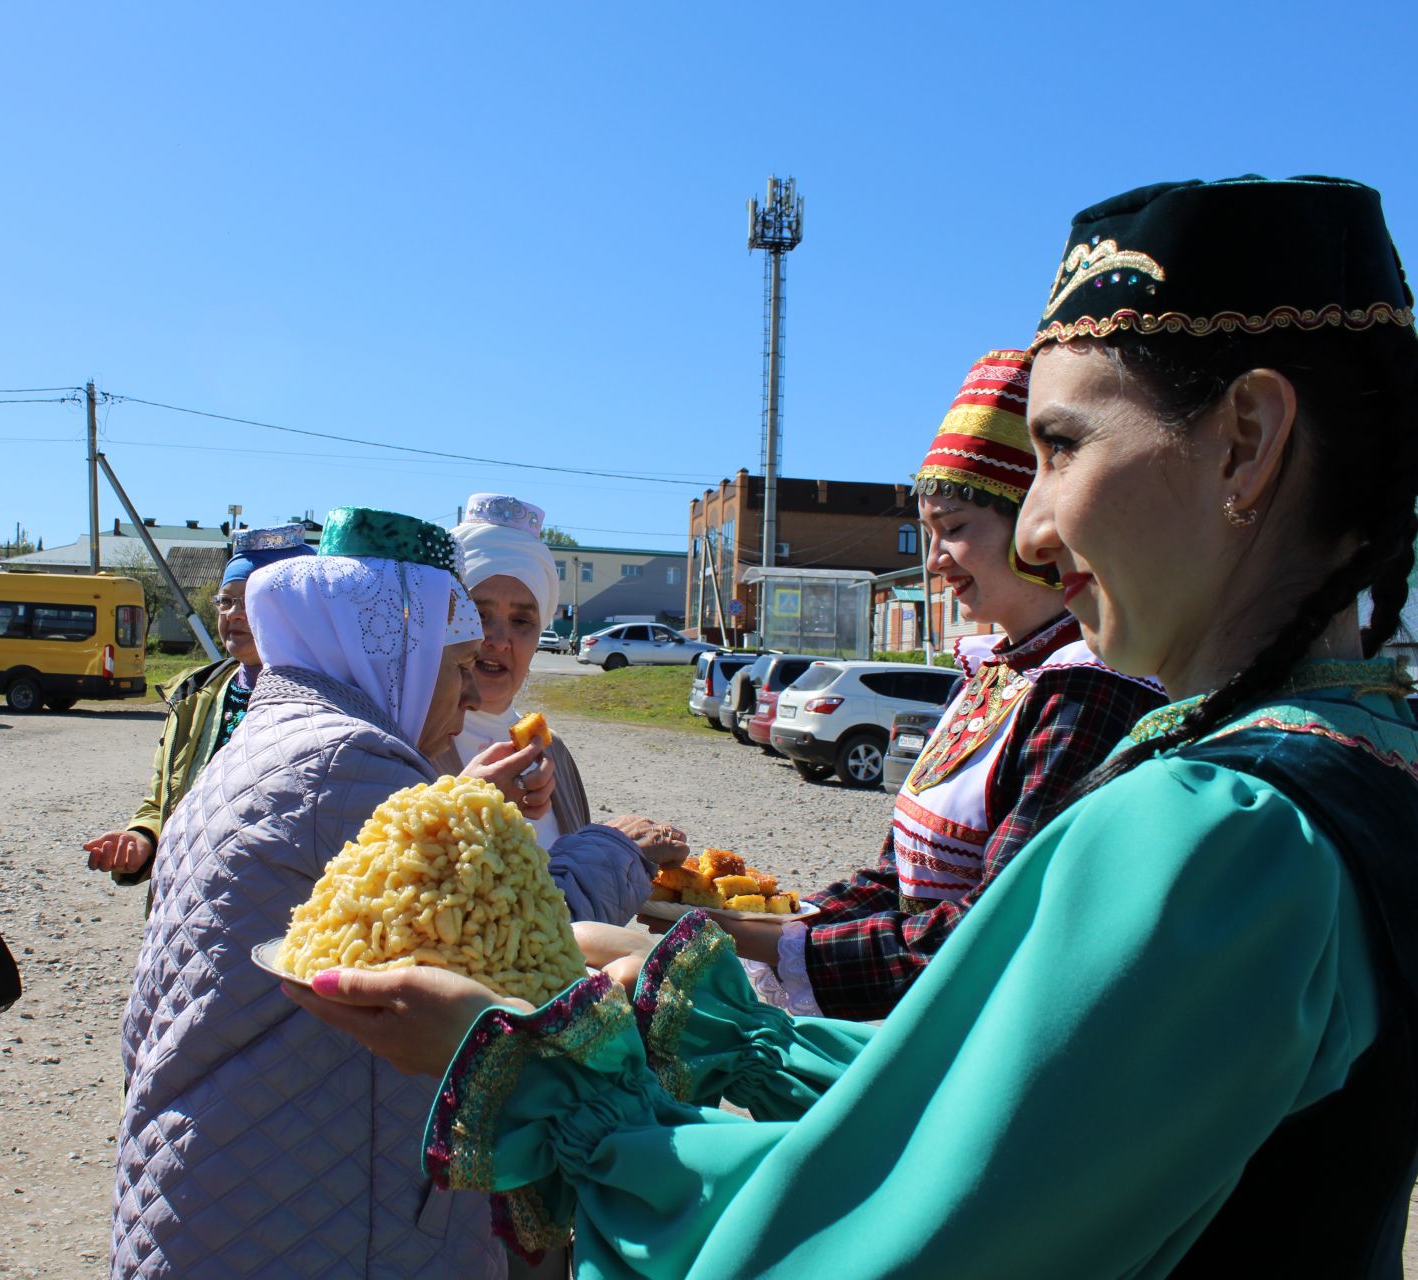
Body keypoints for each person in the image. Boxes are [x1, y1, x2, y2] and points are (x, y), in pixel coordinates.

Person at [290, 176, 1418, 1277]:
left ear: (1247, 438)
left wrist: (537, 1077)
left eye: (1064, 448)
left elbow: (875, 1234)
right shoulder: (1356, 763)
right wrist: (703, 1012)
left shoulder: (1218, 831)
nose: (1033, 530)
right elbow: (979, 1107)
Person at [111, 506, 506, 1278]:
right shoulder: (347, 766)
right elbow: (514, 942)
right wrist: (614, 853)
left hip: (233, 1184)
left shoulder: (275, 736)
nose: (469, 698)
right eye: (455, 668)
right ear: (397, 654)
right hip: (296, 1220)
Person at [722, 353, 1164, 1019]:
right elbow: (898, 878)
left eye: (954, 530)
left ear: (1033, 522)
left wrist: (774, 946)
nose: (932, 562)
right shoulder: (993, 672)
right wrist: (784, 920)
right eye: (928, 533)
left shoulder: (1089, 692)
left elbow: (996, 927)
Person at [438, 492, 689, 922]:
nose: (498, 639)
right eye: (479, 616)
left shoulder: (552, 753)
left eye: (522, 621)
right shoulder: (412, 742)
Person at [83, 522, 315, 884]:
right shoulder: (194, 695)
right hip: (184, 904)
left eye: (250, 601)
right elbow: (164, 800)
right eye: (225, 600)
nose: (232, 614)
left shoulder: (323, 703)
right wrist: (142, 838)